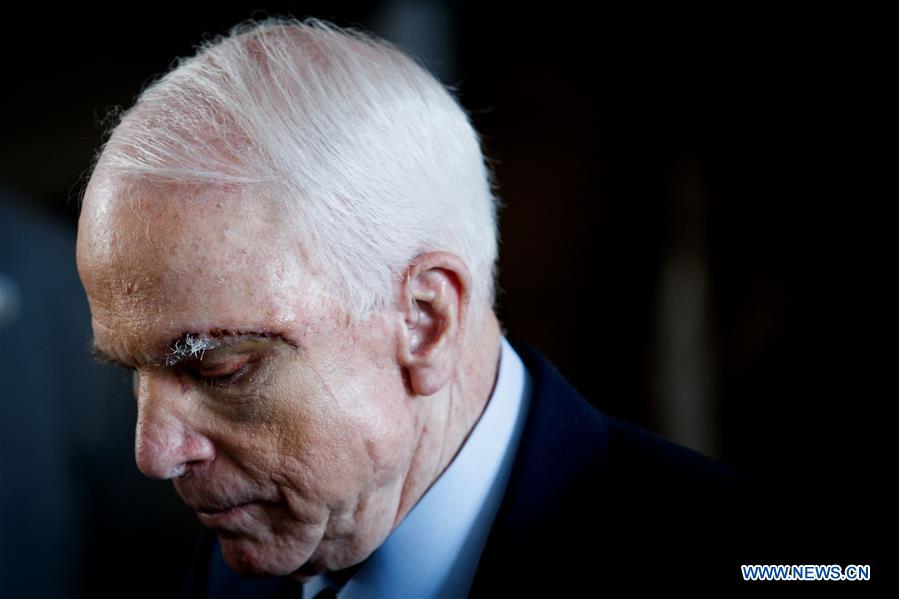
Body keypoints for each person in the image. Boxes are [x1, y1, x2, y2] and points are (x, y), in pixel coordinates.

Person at [76, 16, 776, 597]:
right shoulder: (231, 568)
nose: (154, 453)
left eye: (219, 369)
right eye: (133, 372)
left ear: (425, 320)